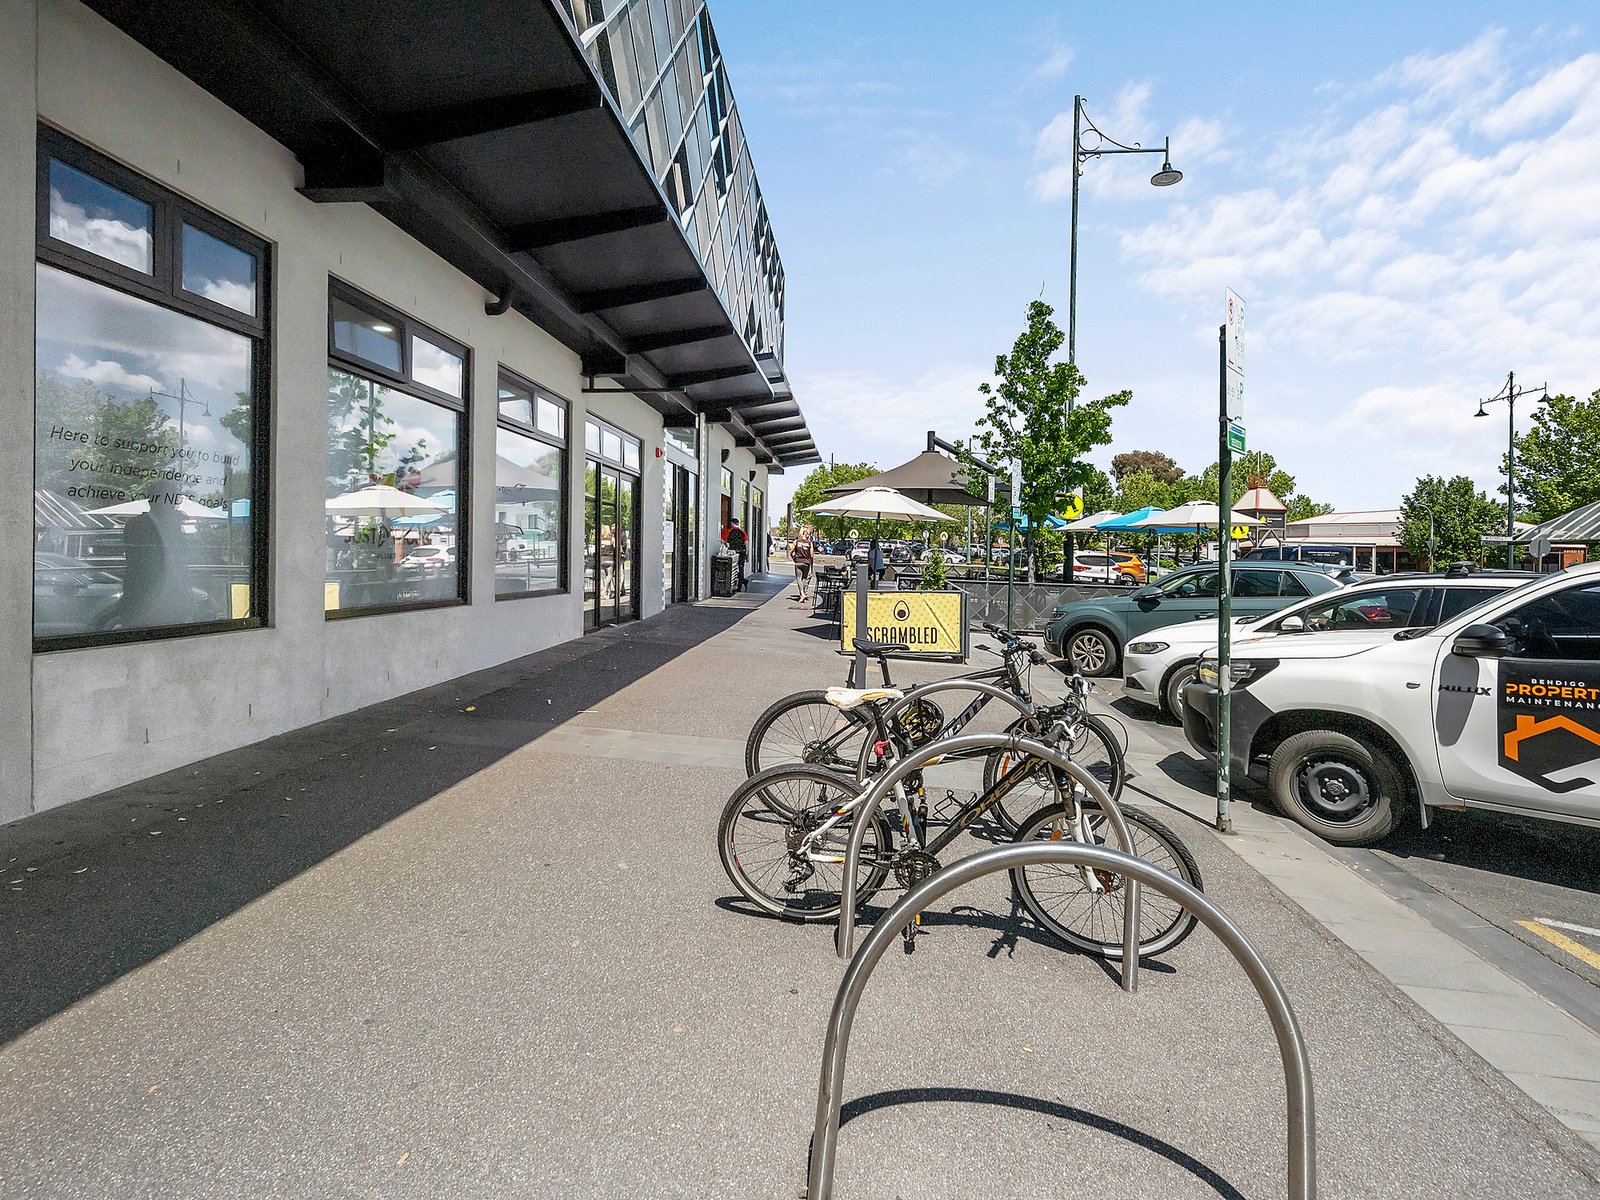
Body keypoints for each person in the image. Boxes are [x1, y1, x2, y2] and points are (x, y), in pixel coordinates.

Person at [791, 523, 816, 602]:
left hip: (798, 561)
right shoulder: (809, 543)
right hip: (806, 562)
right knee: (804, 578)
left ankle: (802, 593)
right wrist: (811, 563)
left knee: (798, 578)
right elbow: (812, 555)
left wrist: (793, 558)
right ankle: (803, 593)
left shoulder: (796, 541)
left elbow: (791, 551)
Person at [723, 517, 748, 590]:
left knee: (734, 568)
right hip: (742, 552)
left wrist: (724, 543)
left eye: (731, 523)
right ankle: (741, 583)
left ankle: (739, 583)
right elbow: (746, 543)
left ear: (733, 524)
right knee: (741, 568)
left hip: (734, 553)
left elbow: (728, 542)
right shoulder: (742, 532)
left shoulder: (731, 532)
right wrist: (746, 553)